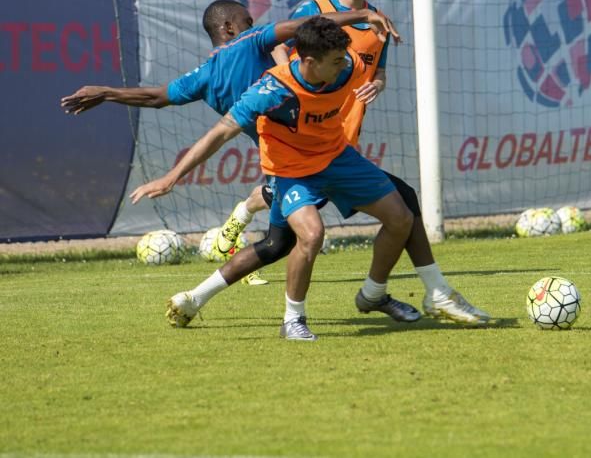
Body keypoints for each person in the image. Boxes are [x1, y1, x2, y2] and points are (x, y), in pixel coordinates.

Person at [132, 17, 488, 340]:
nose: (344, 65)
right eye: (335, 60)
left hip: (337, 158)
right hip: (291, 172)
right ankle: (293, 320)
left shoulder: (344, 67)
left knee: (400, 216)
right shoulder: (270, 90)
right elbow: (220, 133)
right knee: (308, 235)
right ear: (308, 61)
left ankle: (373, 294)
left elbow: (345, 53)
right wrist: (171, 177)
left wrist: (376, 68)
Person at [61, 0, 397, 285]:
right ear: (229, 27)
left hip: (285, 154)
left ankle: (227, 245)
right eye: (247, 21)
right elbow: (305, 25)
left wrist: (106, 93)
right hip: (299, 152)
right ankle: (255, 246)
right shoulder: (250, 41)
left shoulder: (204, 76)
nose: (253, 24)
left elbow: (156, 97)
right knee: (298, 229)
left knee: (281, 240)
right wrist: (361, 15)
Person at [273, 0, 487, 324]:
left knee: (402, 205)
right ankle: (398, 293)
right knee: (277, 243)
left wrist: (380, 84)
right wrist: (289, 90)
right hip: (306, 147)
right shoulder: (314, 11)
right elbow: (276, 48)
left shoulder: (377, 22)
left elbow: (378, 72)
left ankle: (386, 293)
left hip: (341, 147)